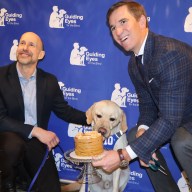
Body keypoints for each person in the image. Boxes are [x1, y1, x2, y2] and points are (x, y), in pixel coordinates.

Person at [92, 1, 192, 191]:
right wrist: (143, 129)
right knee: (134, 135)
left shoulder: (170, 54)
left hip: (185, 122)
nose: (118, 32)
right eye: (113, 27)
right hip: (177, 119)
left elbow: (170, 119)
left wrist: (123, 155)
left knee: (181, 140)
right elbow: (147, 105)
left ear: (142, 21)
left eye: (123, 22)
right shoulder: (134, 64)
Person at [0, 32, 88, 192]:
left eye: (31, 45)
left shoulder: (49, 81)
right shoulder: (0, 76)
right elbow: (1, 119)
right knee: (12, 146)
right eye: (22, 43)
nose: (25, 48)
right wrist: (35, 130)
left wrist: (92, 118)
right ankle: (7, 184)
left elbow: (65, 111)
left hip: (35, 142)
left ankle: (25, 179)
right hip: (7, 140)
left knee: (51, 188)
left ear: (41, 54)